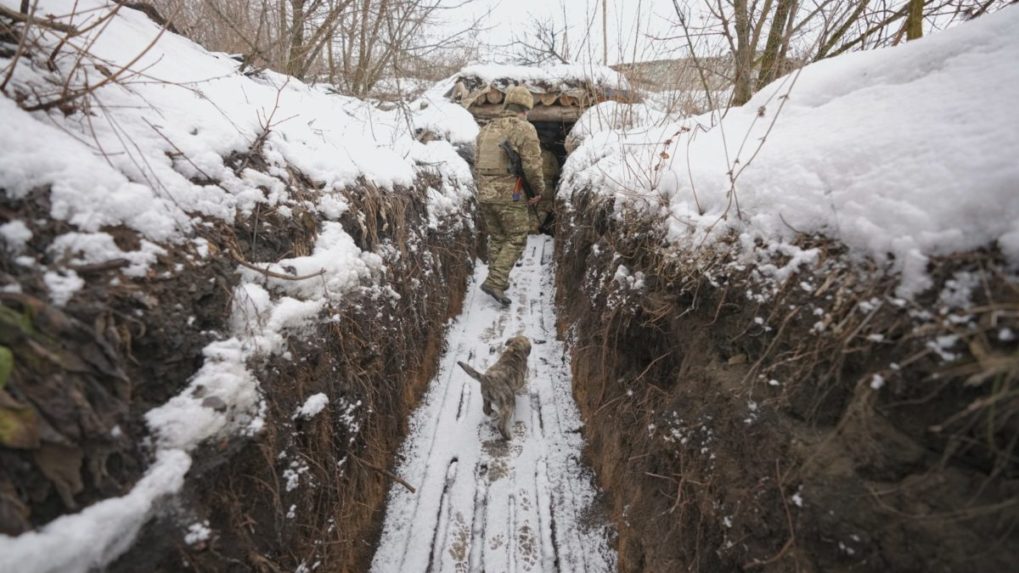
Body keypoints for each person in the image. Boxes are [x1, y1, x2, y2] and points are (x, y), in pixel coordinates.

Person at [473, 85, 546, 306]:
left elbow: (477, 162)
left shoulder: (486, 129)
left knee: (498, 238)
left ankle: (498, 280)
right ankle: (495, 281)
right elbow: (532, 165)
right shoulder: (525, 128)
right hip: (510, 195)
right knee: (516, 237)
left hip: (485, 194)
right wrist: (538, 191)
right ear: (526, 108)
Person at [532, 147, 560, 234]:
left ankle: (528, 226)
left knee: (530, 205)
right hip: (546, 185)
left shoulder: (529, 154)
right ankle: (534, 226)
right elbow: (557, 172)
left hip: (530, 184)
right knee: (545, 205)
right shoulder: (549, 155)